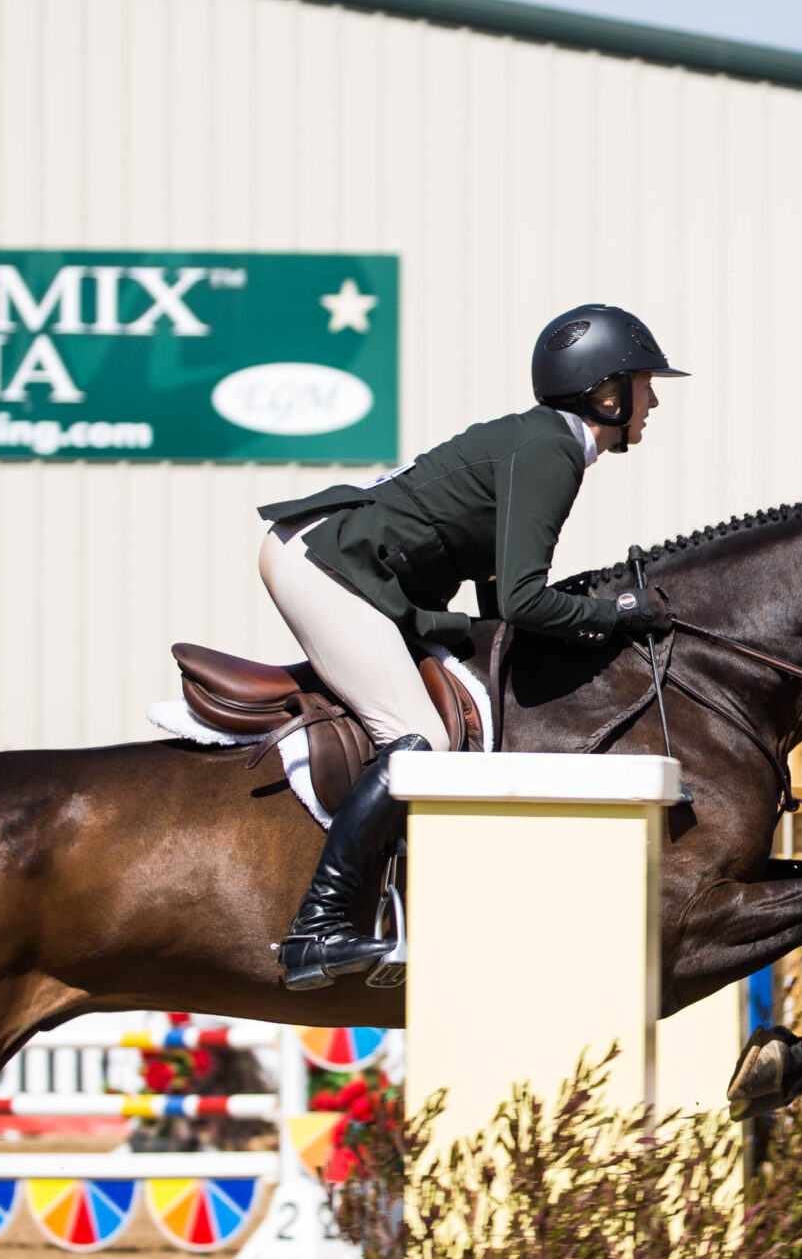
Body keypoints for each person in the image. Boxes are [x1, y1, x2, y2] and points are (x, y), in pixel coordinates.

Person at [254, 304, 688, 988]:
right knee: (418, 740)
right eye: (642, 382)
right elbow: (522, 599)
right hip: (328, 564)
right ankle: (317, 925)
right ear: (604, 391)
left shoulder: (544, 440)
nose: (653, 398)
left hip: (340, 557)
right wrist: (619, 612)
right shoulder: (552, 450)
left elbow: (496, 593)